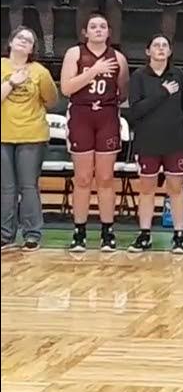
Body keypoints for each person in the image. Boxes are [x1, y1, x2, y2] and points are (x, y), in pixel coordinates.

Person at [59, 13, 128, 252]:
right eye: (93, 27)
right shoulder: (74, 54)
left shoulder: (118, 57)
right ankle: (79, 231)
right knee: (83, 178)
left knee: (106, 178)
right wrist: (94, 71)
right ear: (85, 33)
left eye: (102, 26)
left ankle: (107, 230)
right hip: (81, 115)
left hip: (107, 117)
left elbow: (124, 92)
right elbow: (67, 88)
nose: (98, 30)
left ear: (109, 32)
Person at [125, 35, 183, 253]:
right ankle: (145, 234)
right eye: (156, 45)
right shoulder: (138, 76)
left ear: (170, 52)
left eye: (165, 46)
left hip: (174, 140)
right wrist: (163, 93)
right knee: (147, 188)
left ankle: (179, 235)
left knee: (175, 188)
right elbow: (135, 111)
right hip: (147, 141)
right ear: (148, 51)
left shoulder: (178, 75)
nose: (161, 49)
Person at [1, 27, 59, 252]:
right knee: (6, 188)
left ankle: (32, 234)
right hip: (3, 135)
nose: (23, 42)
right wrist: (12, 82)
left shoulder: (39, 72)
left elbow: (51, 100)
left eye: (29, 40)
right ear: (11, 42)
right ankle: (5, 234)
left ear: (33, 48)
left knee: (28, 187)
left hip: (32, 135)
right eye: (20, 38)